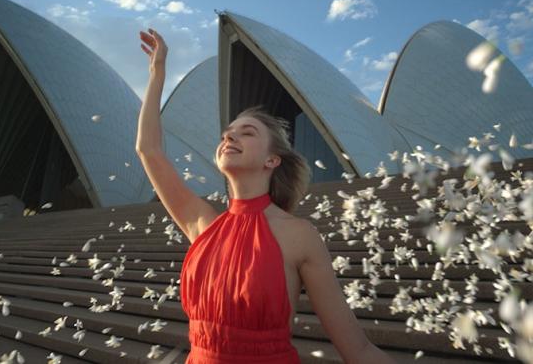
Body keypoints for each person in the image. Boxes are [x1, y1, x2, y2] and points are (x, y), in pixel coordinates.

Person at [136, 27, 398, 364]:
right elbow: (149, 150)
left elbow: (358, 350)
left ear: (272, 160)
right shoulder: (201, 222)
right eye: (226, 135)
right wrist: (157, 73)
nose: (229, 138)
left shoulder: (299, 235)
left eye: (246, 133)